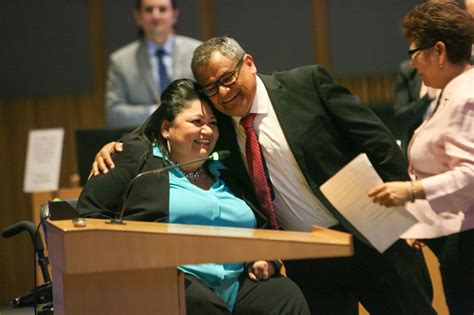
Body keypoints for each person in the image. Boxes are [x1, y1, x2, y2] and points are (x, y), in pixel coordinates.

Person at [92, 37, 436, 314]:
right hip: (309, 258)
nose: (224, 93)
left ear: (249, 63)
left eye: (227, 78)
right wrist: (116, 146)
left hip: (371, 238)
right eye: (212, 89)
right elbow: (165, 119)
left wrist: (409, 214)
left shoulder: (307, 84)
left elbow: (379, 145)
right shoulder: (219, 126)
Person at [78, 79, 310, 315]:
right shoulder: (137, 158)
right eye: (197, 122)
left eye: (212, 123)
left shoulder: (226, 166)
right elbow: (90, 215)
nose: (207, 131)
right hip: (166, 279)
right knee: (202, 305)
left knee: (284, 296)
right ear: (166, 128)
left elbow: (260, 225)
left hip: (234, 280)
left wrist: (263, 256)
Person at [368, 2, 474, 314]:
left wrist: (410, 192)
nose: (412, 63)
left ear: (439, 51)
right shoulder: (450, 91)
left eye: (415, 52)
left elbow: (469, 174)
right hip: (456, 241)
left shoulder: (466, 96)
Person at [105, 0, 201, 128]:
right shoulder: (120, 61)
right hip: (144, 142)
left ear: (174, 15)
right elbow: (113, 114)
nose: (156, 16)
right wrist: (156, 111)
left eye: (162, 9)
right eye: (149, 10)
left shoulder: (197, 52)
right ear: (138, 17)